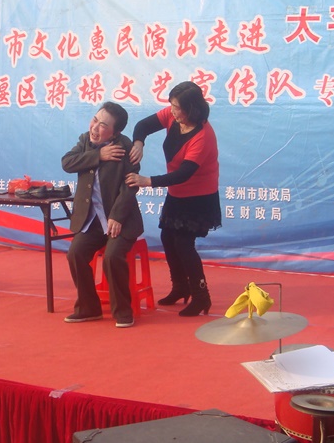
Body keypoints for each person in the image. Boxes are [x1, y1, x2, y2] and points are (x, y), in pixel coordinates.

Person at [126, 81, 221, 317]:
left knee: (184, 244)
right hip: (177, 193)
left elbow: (183, 174)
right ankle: (180, 287)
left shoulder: (203, 136)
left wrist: (147, 181)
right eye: (172, 105)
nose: (173, 111)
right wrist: (139, 143)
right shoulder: (172, 115)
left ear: (192, 109)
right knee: (168, 238)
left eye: (177, 107)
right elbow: (143, 125)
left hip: (199, 197)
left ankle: (201, 296)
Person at [62, 102, 144, 328]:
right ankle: (88, 308)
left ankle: (123, 311)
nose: (95, 128)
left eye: (103, 125)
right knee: (75, 254)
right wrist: (98, 155)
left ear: (115, 133)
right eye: (95, 120)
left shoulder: (126, 148)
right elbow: (67, 163)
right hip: (92, 222)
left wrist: (117, 216)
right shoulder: (85, 141)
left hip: (120, 221)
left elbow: (130, 186)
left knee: (112, 257)